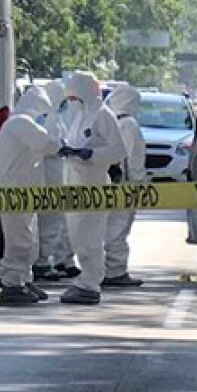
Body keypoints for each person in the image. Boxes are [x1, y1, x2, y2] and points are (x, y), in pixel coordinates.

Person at [0, 86, 64, 305]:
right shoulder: (20, 123)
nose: (44, 118)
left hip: (25, 192)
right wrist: (68, 146)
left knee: (29, 238)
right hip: (14, 192)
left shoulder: (21, 123)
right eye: (43, 113)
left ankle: (24, 278)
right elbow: (47, 143)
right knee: (19, 239)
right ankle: (12, 284)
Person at [57, 71, 124, 306]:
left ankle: (90, 285)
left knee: (90, 238)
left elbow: (118, 150)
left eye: (76, 97)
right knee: (78, 236)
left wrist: (92, 155)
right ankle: (86, 280)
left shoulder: (103, 116)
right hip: (75, 185)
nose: (73, 103)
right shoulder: (80, 116)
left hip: (93, 187)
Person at [103, 83, 148, 287]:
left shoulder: (110, 121)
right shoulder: (129, 125)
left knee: (110, 229)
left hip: (109, 183)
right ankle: (115, 271)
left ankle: (107, 268)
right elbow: (133, 158)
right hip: (125, 186)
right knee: (119, 229)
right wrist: (139, 185)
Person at [34, 80, 78, 282]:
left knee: (57, 221)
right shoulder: (48, 118)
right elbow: (50, 145)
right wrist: (64, 148)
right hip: (50, 176)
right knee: (49, 221)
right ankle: (42, 262)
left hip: (56, 175)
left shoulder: (54, 117)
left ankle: (57, 259)